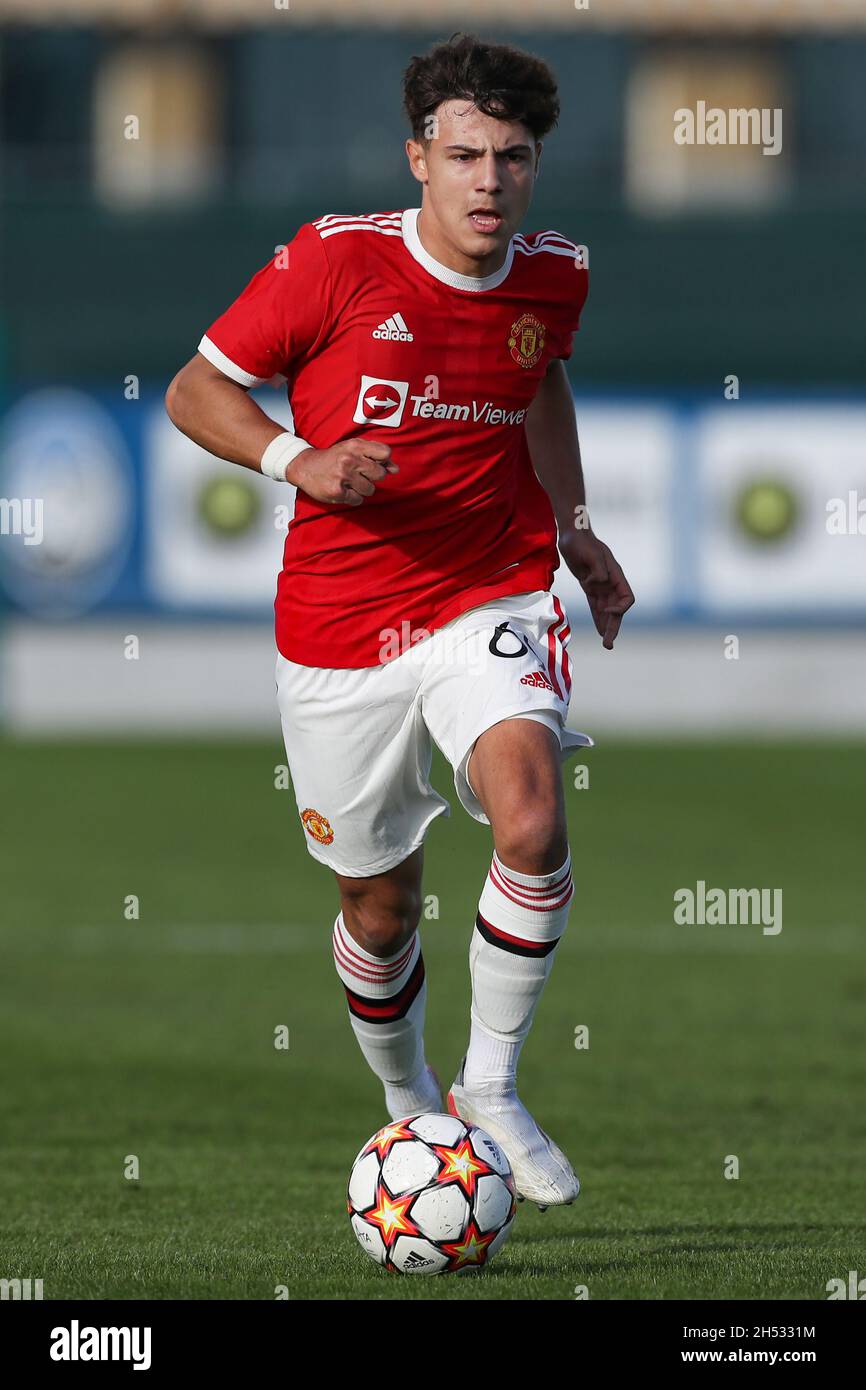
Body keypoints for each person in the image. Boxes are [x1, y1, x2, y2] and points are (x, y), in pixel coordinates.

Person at [165, 32, 634, 1209]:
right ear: (417, 156)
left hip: (489, 589)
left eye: (513, 158)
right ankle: (406, 1098)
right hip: (338, 625)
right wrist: (295, 458)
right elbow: (195, 388)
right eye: (465, 153)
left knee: (529, 818)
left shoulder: (555, 272)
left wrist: (572, 525)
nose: (489, 181)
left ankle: (489, 1087)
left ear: (534, 166)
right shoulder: (331, 262)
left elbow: (540, 382)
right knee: (378, 908)